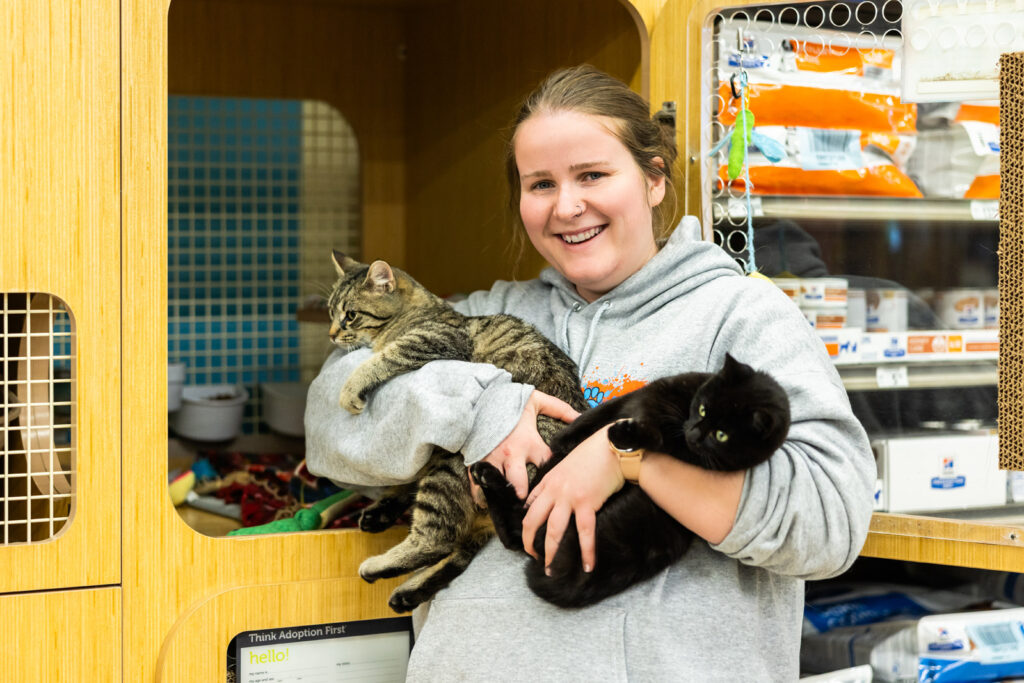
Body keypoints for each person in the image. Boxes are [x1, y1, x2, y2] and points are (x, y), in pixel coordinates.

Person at [304, 65, 876, 681]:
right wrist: (483, 411)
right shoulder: (485, 315)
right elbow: (329, 425)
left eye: (593, 175)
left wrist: (628, 457)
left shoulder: (740, 317)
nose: (567, 206)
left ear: (654, 179)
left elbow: (829, 527)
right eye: (541, 183)